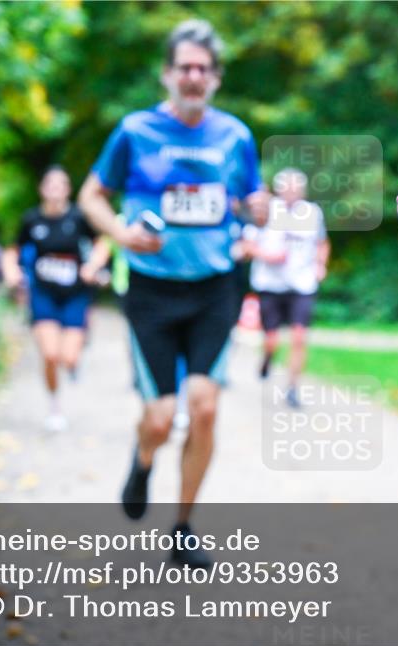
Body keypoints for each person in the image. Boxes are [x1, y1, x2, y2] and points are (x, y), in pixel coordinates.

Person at [78, 19, 270, 568]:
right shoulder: (135, 131)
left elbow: (249, 202)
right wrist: (118, 233)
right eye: (184, 67)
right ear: (167, 73)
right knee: (161, 416)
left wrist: (257, 210)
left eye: (203, 69)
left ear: (216, 78)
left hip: (214, 289)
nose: (193, 76)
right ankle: (142, 462)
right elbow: (93, 196)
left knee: (205, 408)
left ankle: (182, 527)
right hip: (151, 292)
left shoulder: (234, 136)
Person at [3, 165, 111, 432]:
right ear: (42, 189)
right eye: (49, 185)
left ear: (67, 190)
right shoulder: (32, 220)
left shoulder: (78, 218)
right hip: (44, 294)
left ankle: (76, 356)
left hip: (75, 295)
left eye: (60, 185)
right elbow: (11, 251)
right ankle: (54, 405)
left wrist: (93, 266)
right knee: (50, 354)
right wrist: (11, 272)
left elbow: (102, 244)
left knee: (68, 358)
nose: (54, 191)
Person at [241, 168, 330, 407]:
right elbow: (246, 247)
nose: (291, 192)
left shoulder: (312, 213)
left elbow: (322, 243)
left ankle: (292, 388)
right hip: (270, 285)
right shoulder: (266, 211)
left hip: (302, 284)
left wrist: (320, 265)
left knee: (299, 337)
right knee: (272, 340)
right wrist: (266, 254)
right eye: (286, 188)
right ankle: (268, 357)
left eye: (296, 188)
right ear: (279, 189)